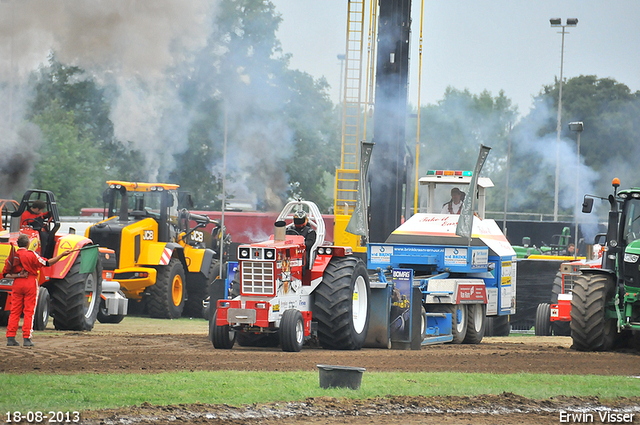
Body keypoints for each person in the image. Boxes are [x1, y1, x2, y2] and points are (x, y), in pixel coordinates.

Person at [4, 234, 72, 347]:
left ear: (18, 244)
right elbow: (47, 263)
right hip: (30, 282)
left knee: (15, 311)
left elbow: (6, 274)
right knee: (29, 311)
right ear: (28, 244)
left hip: (17, 283)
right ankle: (26, 338)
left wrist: (19, 275)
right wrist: (61, 255)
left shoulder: (13, 256)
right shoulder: (31, 255)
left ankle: (10, 337)